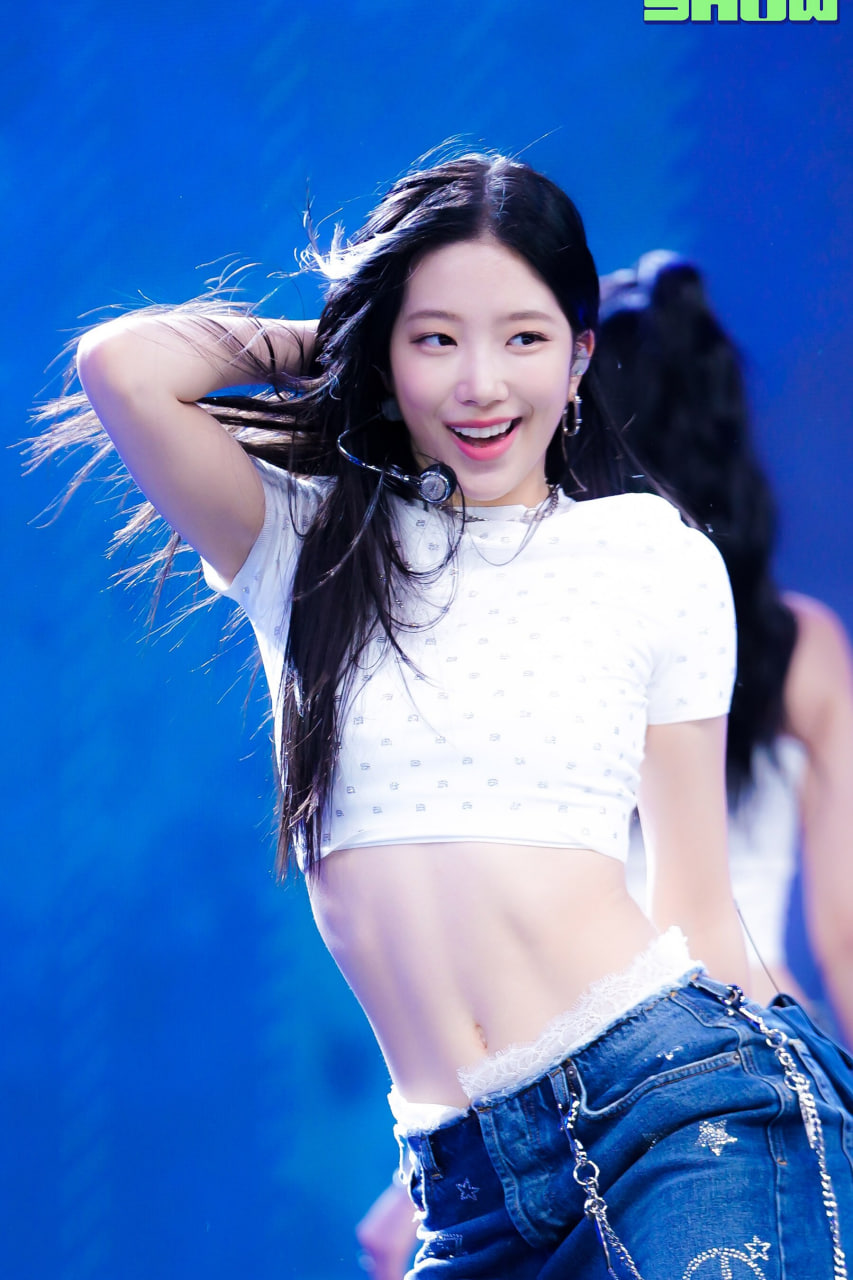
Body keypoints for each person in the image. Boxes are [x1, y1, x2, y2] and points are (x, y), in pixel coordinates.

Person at [31, 153, 853, 1278]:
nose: (480, 383)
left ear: (579, 358)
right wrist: (348, 338)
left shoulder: (651, 557)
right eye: (436, 340)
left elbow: (701, 910)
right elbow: (123, 368)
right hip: (461, 1187)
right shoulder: (306, 545)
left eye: (522, 338)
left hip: (675, 1113)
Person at [353, 247, 853, 1279]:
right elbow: (840, 934)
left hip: (577, 1070)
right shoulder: (793, 642)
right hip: (714, 1058)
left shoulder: (556, 612)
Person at [596, 251, 853, 1046]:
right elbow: (845, 933)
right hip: (766, 1041)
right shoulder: (801, 645)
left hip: (596, 1059)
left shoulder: (555, 630)